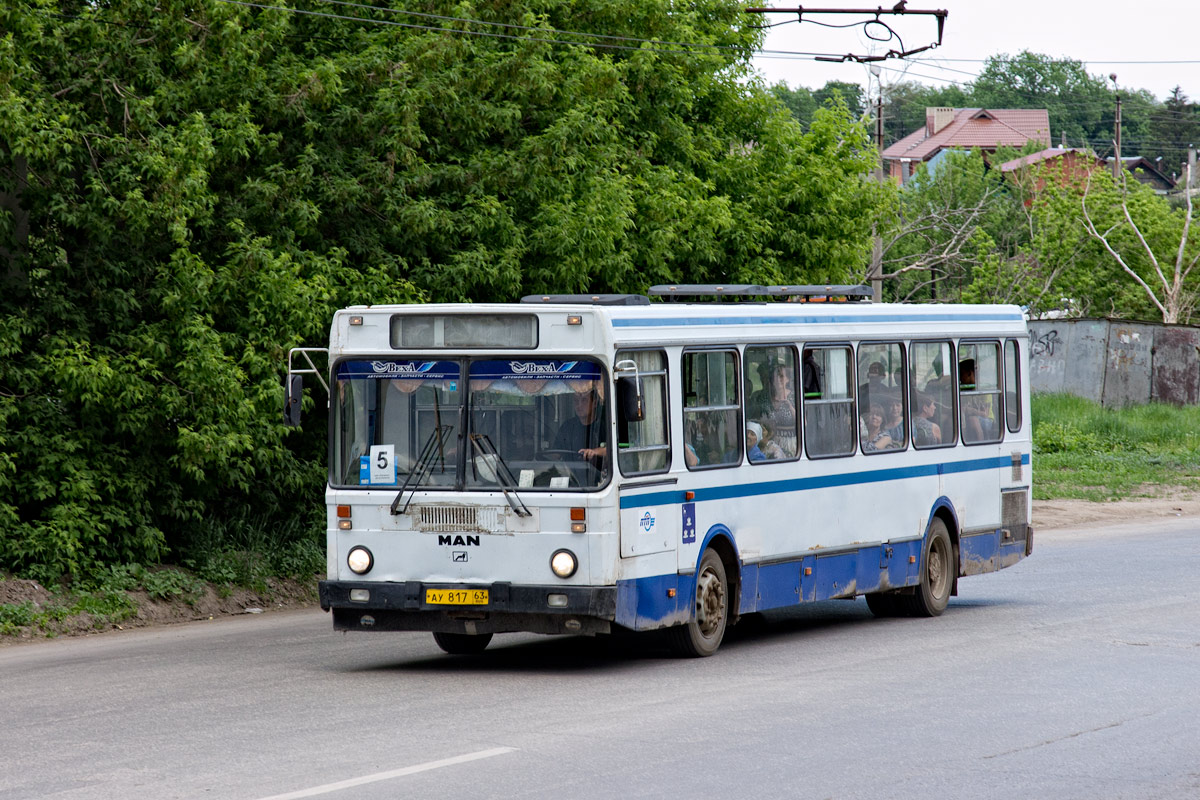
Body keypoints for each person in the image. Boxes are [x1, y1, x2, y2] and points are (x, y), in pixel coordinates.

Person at [552, 384, 607, 469]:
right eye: (576, 401)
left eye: (584, 400)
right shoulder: (567, 427)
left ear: (595, 403)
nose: (579, 405)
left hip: (598, 478)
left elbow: (611, 450)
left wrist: (594, 452)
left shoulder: (604, 427)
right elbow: (556, 454)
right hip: (570, 477)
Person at [759, 364, 797, 458]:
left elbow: (804, 422)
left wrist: (790, 406)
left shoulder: (794, 396)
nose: (778, 379)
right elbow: (759, 418)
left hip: (791, 443)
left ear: (787, 379)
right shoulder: (765, 397)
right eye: (775, 376)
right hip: (771, 443)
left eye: (781, 376)